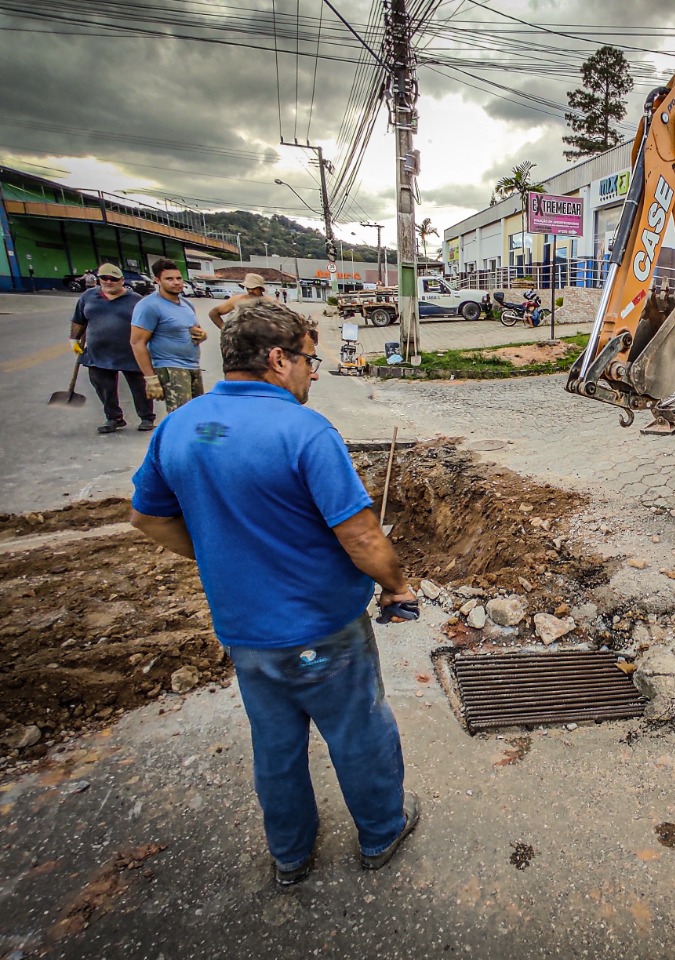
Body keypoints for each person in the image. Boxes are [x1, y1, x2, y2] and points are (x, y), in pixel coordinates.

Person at [129, 300, 421, 887]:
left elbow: (148, 518)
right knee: (359, 733)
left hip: (245, 632)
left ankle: (290, 855)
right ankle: (381, 833)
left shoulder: (180, 424)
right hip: (322, 629)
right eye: (311, 359)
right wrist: (397, 586)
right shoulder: (304, 430)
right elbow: (361, 534)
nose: (315, 371)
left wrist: (219, 552)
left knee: (276, 746)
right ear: (278, 357)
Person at [68, 263, 155, 434]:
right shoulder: (88, 296)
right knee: (103, 386)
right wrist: (73, 339)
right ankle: (113, 417)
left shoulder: (136, 300)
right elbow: (79, 319)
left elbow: (148, 324)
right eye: (104, 278)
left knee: (139, 387)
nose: (108, 281)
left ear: (122, 280)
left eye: (113, 279)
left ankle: (146, 417)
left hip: (130, 353)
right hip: (98, 353)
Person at [130, 259, 207, 412]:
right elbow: (137, 343)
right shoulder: (149, 306)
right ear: (157, 280)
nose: (176, 282)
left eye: (178, 278)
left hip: (192, 365)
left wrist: (202, 335)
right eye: (169, 279)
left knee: (197, 413)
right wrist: (150, 378)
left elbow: (194, 328)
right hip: (170, 366)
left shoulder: (186, 303)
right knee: (180, 415)